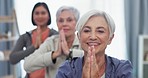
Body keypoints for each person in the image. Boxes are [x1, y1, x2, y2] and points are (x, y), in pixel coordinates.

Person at [56, 10, 133, 78]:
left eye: (100, 31)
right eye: (86, 31)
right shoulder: (66, 69)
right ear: (79, 37)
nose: (93, 37)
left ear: (110, 38)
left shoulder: (122, 68)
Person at [24, 6, 84, 78]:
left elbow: (94, 60)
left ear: (77, 23)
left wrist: (70, 53)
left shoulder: (83, 41)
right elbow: (27, 65)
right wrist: (55, 54)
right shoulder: (50, 42)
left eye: (69, 20)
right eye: (61, 21)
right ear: (57, 23)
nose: (64, 24)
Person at [9, 2, 58, 78]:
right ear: (33, 16)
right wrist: (34, 47)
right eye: (37, 13)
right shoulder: (25, 37)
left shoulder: (56, 36)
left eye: (43, 13)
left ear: (49, 16)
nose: (40, 16)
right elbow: (12, 59)